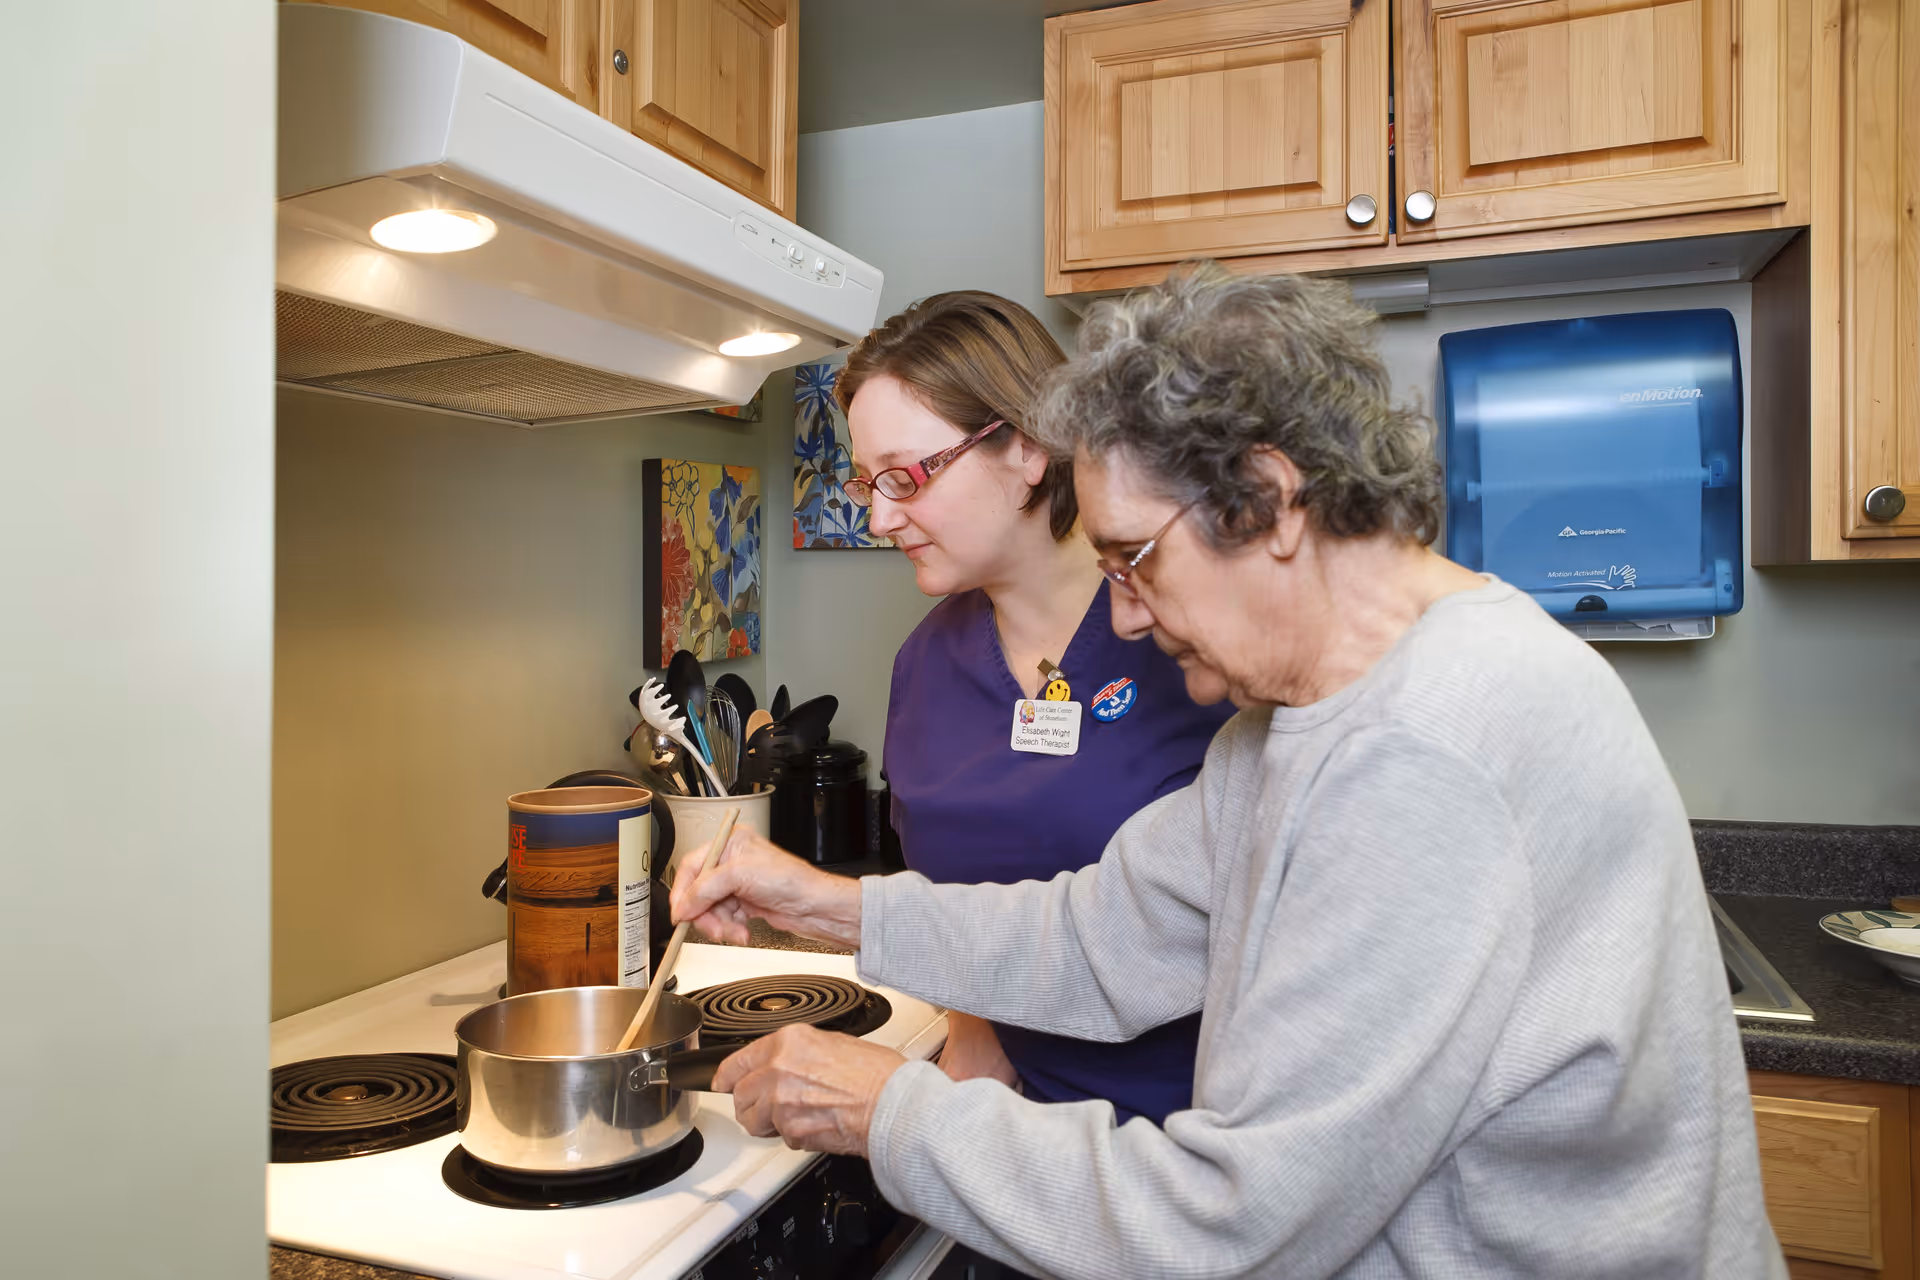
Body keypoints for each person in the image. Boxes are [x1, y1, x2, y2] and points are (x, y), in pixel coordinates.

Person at [675, 266, 1785, 1279]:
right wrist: (823, 906)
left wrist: (890, 1110)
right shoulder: (1298, 717)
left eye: (1135, 559)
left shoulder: (1424, 749)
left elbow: (1232, 1221)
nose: (1120, 613)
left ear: (1268, 499)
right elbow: (1100, 936)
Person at [834, 291, 1232, 1123]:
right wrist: (973, 1027)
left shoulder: (1194, 636)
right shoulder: (927, 664)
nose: (878, 517)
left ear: (1025, 447)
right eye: (867, 482)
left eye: (905, 476)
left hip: (1184, 1135)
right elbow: (946, 889)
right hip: (1002, 1132)